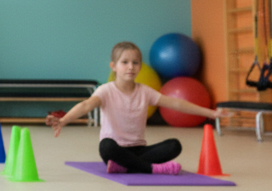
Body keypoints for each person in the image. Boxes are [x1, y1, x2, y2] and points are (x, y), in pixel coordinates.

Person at [47, 41, 223, 174]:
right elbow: (86, 105)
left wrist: (210, 113)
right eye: (125, 62)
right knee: (106, 146)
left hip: (138, 148)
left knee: (174, 145)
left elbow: (176, 103)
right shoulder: (106, 90)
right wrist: (63, 120)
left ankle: (126, 166)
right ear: (114, 66)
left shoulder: (145, 91)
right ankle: (151, 169)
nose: (131, 67)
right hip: (114, 150)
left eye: (136, 62)